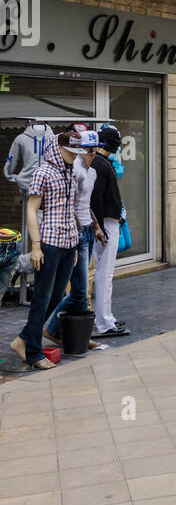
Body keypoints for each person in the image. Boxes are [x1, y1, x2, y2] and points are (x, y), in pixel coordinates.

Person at [10, 131, 83, 370]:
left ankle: (22, 339)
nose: (74, 156)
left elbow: (70, 210)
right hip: (49, 242)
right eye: (70, 151)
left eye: (76, 152)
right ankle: (32, 352)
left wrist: (73, 245)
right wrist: (36, 246)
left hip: (68, 243)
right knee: (42, 296)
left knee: (56, 295)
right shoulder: (43, 172)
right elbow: (32, 209)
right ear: (58, 148)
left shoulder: (70, 173)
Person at [43, 129, 102, 348]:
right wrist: (77, 229)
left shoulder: (92, 173)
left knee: (81, 289)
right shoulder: (74, 170)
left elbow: (86, 205)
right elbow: (70, 205)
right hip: (76, 234)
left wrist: (96, 226)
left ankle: (73, 333)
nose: (92, 153)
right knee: (78, 290)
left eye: (94, 149)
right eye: (88, 149)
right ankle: (52, 329)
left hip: (87, 230)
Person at [90, 124, 130, 339]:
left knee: (104, 274)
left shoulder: (102, 164)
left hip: (106, 223)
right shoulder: (102, 165)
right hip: (106, 225)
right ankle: (104, 322)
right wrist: (101, 228)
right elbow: (96, 199)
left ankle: (107, 317)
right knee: (105, 275)